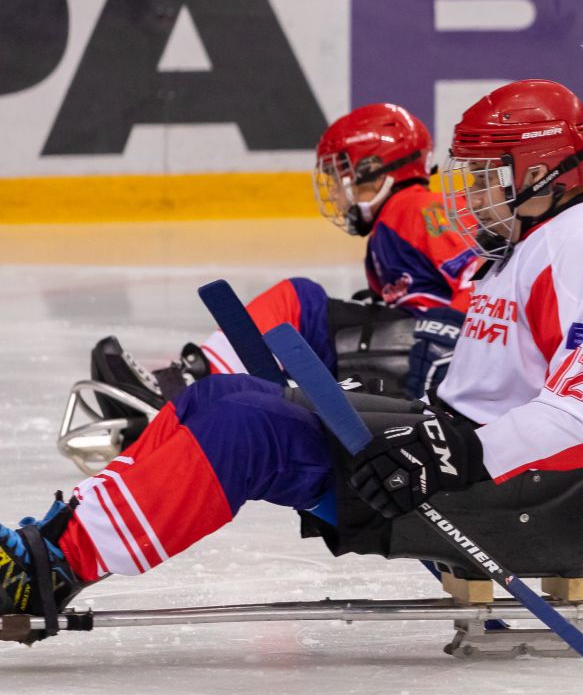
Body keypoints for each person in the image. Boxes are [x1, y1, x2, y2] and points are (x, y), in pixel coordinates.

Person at [1, 79, 583, 632]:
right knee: (220, 397)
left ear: (539, 174)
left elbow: (581, 412)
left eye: (486, 177)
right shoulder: (525, 245)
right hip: (451, 451)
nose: (468, 194)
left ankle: (49, 572)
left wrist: (452, 454)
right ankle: (56, 541)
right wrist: (414, 424)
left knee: (244, 431)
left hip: (496, 487)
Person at [64, 104, 478, 471]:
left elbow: (473, 277)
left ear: (374, 169)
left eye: (344, 171)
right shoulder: (391, 227)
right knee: (319, 326)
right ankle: (217, 400)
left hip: (433, 358)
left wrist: (454, 347)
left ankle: (186, 385)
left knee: (299, 302)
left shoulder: (414, 207)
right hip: (425, 359)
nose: (337, 188)